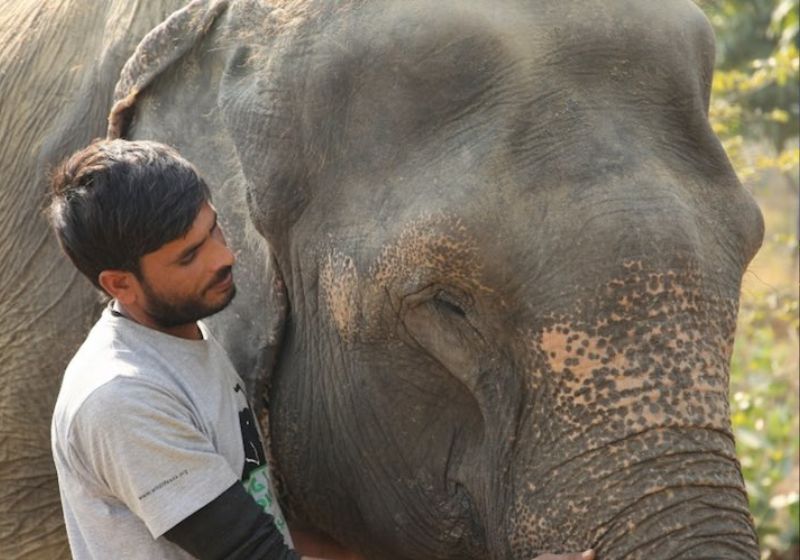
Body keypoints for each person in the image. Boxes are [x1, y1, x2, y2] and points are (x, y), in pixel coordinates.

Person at [47, 139, 595, 560]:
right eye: (189, 256)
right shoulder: (123, 399)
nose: (223, 257)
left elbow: (264, 520)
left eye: (214, 229)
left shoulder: (183, 335)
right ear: (120, 284)